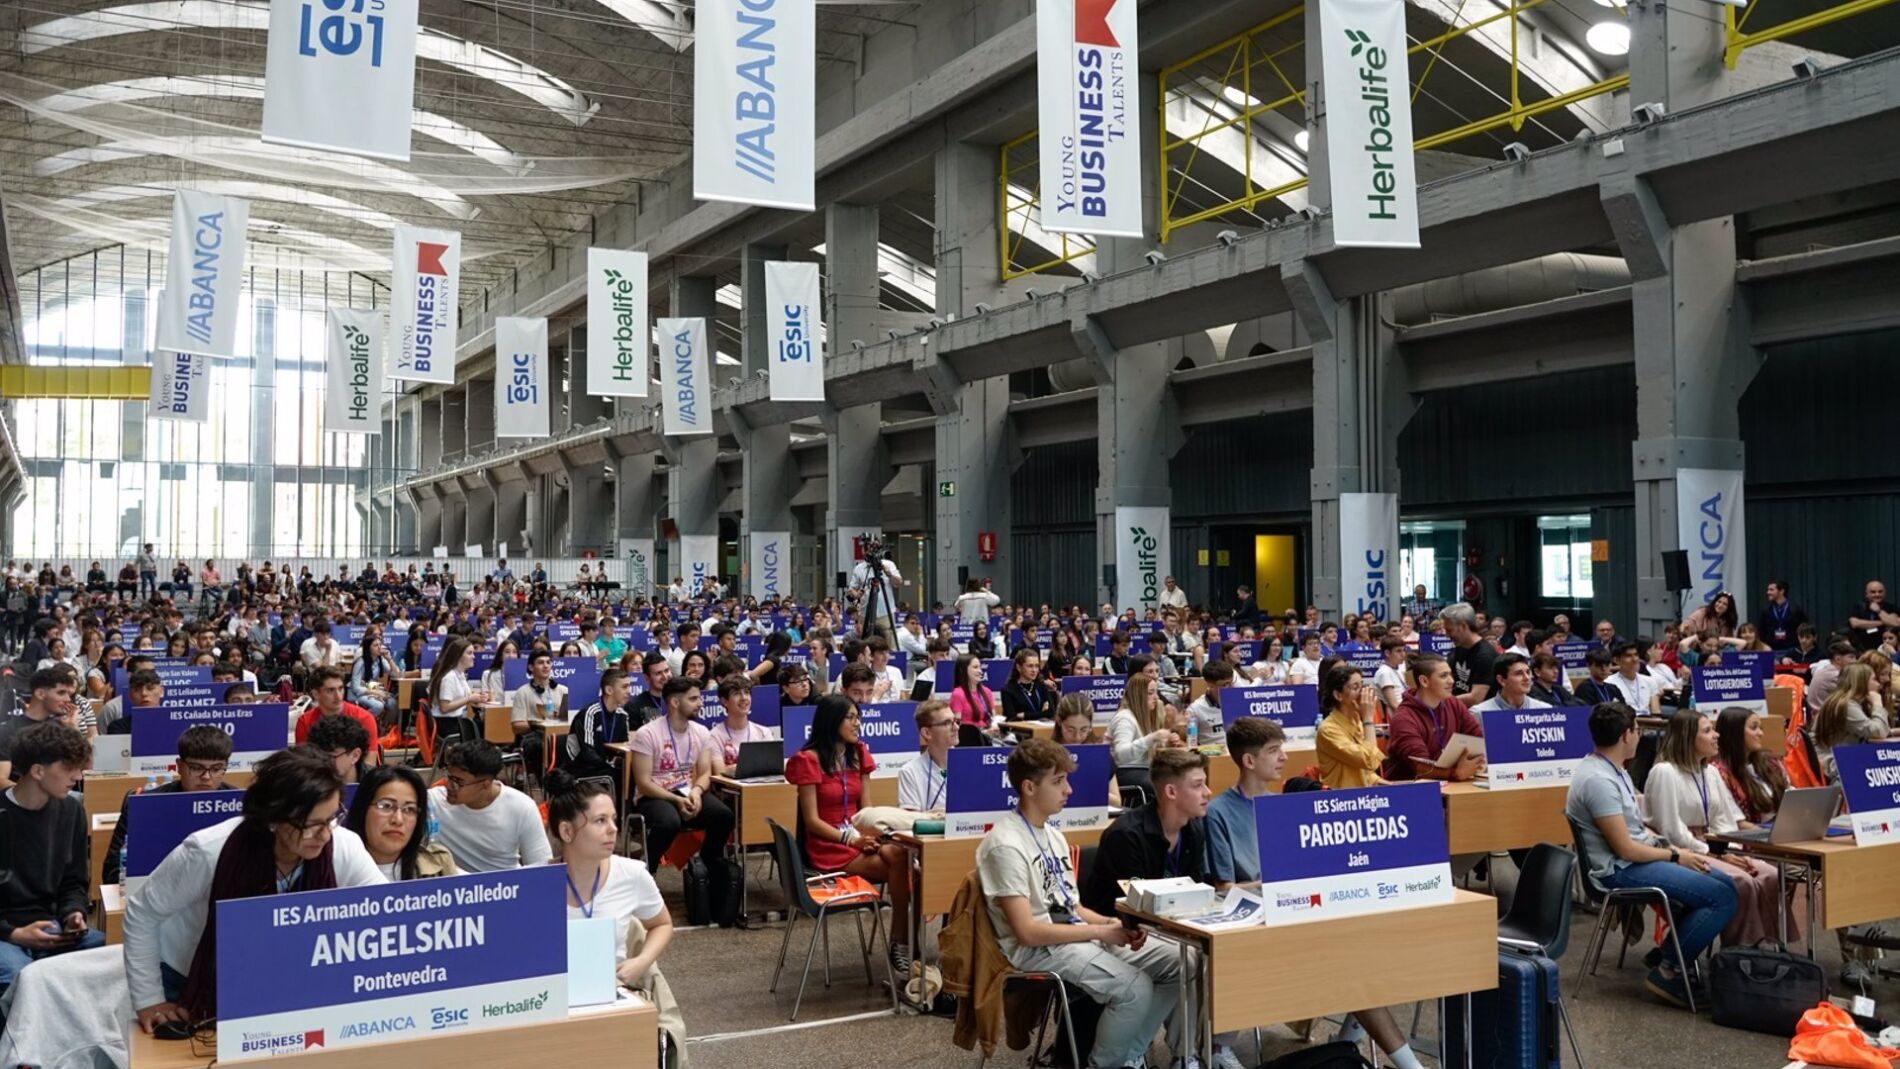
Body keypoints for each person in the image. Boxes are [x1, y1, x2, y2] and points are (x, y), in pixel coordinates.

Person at [1202, 715, 1425, 1068]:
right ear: (1249, 761)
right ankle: (1220, 1047)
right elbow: (1224, 888)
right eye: (1273, 751)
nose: (1283, 758)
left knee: (1369, 953)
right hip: (1255, 920)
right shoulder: (1218, 812)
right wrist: (1276, 886)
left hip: (1300, 909)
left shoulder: (1282, 807)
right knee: (1352, 963)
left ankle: (1351, 1044)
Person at [125, 747, 385, 1032]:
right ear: (274, 818)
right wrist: (149, 999)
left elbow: (384, 911)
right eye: (311, 824)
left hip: (283, 984)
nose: (324, 835)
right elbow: (141, 912)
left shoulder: (343, 845)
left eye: (332, 818)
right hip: (191, 982)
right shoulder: (208, 851)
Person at [975, 738, 1184, 1069]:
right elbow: (1027, 932)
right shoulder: (1005, 845)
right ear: (1029, 787)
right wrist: (1099, 933)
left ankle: (1129, 1056)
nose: (1068, 790)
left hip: (1071, 935)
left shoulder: (1052, 835)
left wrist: (1112, 925)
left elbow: (1070, 908)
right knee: (1135, 990)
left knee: (1182, 962)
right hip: (1036, 950)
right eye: (1058, 781)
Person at [1566, 701, 1737, 1009]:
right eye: (1637, 730)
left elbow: (1634, 830)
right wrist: (1674, 856)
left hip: (1633, 859)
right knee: (1721, 897)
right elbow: (1625, 848)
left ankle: (1668, 954)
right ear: (1625, 735)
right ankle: (1668, 970)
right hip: (1618, 869)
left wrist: (1672, 849)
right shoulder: (1598, 780)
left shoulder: (1611, 769)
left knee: (1724, 883)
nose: (1639, 735)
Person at [545, 769, 680, 1052]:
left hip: (613, 998)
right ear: (567, 831)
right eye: (600, 821)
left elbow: (662, 924)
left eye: (613, 819)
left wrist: (641, 961)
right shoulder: (535, 885)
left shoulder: (631, 874)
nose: (613, 829)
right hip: (553, 1006)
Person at [787, 695, 915, 975]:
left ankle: (903, 941)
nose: (858, 724)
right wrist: (851, 839)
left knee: (900, 855)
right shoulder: (807, 760)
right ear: (832, 721)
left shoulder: (858, 753)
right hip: (829, 845)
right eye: (851, 718)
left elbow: (865, 809)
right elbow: (812, 821)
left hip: (859, 836)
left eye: (858, 717)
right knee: (904, 865)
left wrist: (874, 834)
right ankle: (902, 942)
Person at [1644, 709, 1788, 949]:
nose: (1716, 735)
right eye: (1708, 731)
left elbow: (1724, 820)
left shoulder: (1709, 772)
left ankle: (1769, 945)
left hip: (1714, 846)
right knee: (1742, 880)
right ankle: (1741, 951)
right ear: (1688, 737)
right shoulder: (1665, 772)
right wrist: (1717, 854)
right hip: (1682, 852)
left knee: (1769, 875)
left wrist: (1732, 850)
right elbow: (1672, 830)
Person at [0, 722, 99, 995]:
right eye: (68, 768)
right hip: (6, 932)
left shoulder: (72, 811)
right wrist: (14, 933)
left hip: (53, 926)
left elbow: (74, 881)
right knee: (20, 978)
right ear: (37, 771)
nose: (78, 776)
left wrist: (73, 914)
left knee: (112, 951)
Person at [628, 677, 735, 880]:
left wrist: (697, 792)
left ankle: (708, 862)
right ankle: (646, 871)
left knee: (724, 815)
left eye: (699, 698)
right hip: (654, 795)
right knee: (669, 822)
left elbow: (705, 773)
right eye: (693, 699)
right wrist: (676, 800)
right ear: (675, 702)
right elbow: (643, 783)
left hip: (687, 791)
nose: (700, 703)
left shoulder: (701, 732)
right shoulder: (647, 734)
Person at [104, 726, 236, 885]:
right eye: (196, 768)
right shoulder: (146, 805)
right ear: (179, 766)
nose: (206, 777)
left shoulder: (238, 805)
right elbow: (113, 871)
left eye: (216, 769)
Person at [428, 741, 552, 873]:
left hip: (505, 882)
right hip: (455, 882)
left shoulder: (521, 807)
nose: (449, 786)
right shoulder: (434, 802)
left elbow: (542, 865)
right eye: (448, 777)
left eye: (458, 782)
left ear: (485, 784)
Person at [343, 765, 458, 881]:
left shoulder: (439, 865)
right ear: (362, 810)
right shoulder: (335, 869)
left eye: (409, 809)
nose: (398, 820)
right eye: (386, 806)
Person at [1384, 654, 1484, 782]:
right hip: (1411, 787)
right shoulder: (1404, 718)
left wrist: (1473, 763)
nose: (1451, 681)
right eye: (1443, 676)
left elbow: (1477, 737)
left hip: (1451, 781)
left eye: (1450, 674)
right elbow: (1420, 767)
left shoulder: (1453, 703)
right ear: (1424, 681)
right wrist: (1455, 773)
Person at [0, 667, 80, 789]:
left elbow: (83, 766)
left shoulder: (61, 728)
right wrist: (38, 792)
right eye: (61, 693)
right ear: (40, 694)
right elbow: (1, 779)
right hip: (25, 797)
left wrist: (73, 729)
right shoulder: (8, 731)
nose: (68, 699)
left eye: (69, 694)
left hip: (62, 794)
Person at [1812, 662, 1890, 783]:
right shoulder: (1846, 706)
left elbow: (1876, 728)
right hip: (1834, 764)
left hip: (1843, 757)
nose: (1879, 684)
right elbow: (1878, 731)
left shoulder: (1847, 701)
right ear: (1861, 682)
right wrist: (1877, 704)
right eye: (1874, 679)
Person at [1713, 706, 1790, 824]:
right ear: (1735, 732)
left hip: (1783, 825)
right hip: (1752, 833)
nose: (1761, 733)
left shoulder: (1770, 761)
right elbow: (1737, 823)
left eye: (1760, 728)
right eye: (1754, 728)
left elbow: (1790, 794)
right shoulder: (1719, 773)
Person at [1317, 663, 1387, 789]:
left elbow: (1366, 772)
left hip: (1365, 792)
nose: (1363, 693)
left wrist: (1389, 784)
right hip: (1343, 797)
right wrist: (1368, 718)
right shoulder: (1328, 729)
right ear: (1338, 695)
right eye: (1355, 687)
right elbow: (1368, 760)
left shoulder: (1357, 722)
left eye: (1362, 685)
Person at [1109, 672, 1177, 798]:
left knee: (1180, 779)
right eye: (1150, 693)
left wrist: (1169, 742)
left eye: (1156, 692)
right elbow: (1121, 755)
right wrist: (1152, 738)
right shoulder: (1124, 718)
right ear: (1138, 695)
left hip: (1143, 768)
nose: (1156, 697)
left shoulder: (1144, 716)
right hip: (1124, 771)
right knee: (1165, 786)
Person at [293, 666, 381, 763]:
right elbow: (303, 762)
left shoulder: (364, 718)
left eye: (341, 688)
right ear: (316, 694)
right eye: (330, 690)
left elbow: (369, 763)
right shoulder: (305, 721)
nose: (338, 696)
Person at [510, 649, 569, 776]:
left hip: (560, 734)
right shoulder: (523, 692)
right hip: (534, 736)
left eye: (548, 662)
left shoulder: (563, 690)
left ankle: (564, 779)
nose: (546, 666)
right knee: (538, 746)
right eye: (541, 663)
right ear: (531, 667)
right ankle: (543, 779)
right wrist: (536, 723)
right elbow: (516, 727)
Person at [427, 635, 490, 746]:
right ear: (458, 656)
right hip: (447, 724)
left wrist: (477, 697)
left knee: (484, 724)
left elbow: (464, 696)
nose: (474, 656)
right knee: (485, 728)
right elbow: (444, 707)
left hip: (455, 720)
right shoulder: (449, 677)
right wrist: (469, 699)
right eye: (469, 653)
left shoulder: (460, 674)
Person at [898, 699, 956, 814]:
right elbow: (912, 820)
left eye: (955, 721)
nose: (956, 727)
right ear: (927, 733)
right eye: (947, 723)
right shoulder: (910, 772)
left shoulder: (971, 766)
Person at [1439, 602, 1496, 705]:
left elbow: (1476, 698)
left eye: (1450, 630)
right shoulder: (1458, 648)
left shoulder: (1485, 656)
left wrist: (1440, 702)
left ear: (1463, 626)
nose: (1446, 635)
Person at [1470, 653, 1552, 713]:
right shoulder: (1480, 713)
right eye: (1519, 673)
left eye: (1528, 672)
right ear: (1501, 680)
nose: (1527, 678)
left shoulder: (1545, 710)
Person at [307, 713, 370, 784]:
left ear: (355, 755)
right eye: (317, 757)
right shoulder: (307, 782)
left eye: (330, 757)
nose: (322, 764)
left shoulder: (376, 784)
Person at [1603, 641, 1662, 715]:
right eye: (1628, 656)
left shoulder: (1650, 681)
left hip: (1648, 720)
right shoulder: (1609, 683)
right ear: (1616, 660)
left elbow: (1656, 711)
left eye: (1636, 655)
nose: (1634, 659)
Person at [998, 647, 1055, 721]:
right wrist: (1041, 713)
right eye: (1030, 666)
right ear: (1019, 667)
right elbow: (1012, 717)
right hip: (1019, 727)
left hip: (1042, 726)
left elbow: (1050, 712)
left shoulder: (1041, 686)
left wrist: (1024, 715)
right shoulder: (1008, 690)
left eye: (1037, 666)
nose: (1034, 670)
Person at [1183, 660, 1231, 743]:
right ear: (1210, 685)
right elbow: (1191, 741)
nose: (1230, 688)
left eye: (1231, 683)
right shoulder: (1195, 710)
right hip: (1211, 749)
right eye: (1224, 685)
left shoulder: (1238, 702)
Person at [948, 653, 998, 731]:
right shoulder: (957, 694)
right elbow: (957, 725)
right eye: (975, 667)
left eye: (980, 667)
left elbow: (993, 718)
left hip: (988, 734)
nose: (980, 671)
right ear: (962, 670)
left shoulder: (987, 692)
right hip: (969, 736)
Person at [1755, 579, 1807, 653]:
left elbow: (1803, 629)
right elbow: (1761, 632)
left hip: (1792, 650)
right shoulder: (1766, 611)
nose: (1768, 592)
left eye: (1771, 590)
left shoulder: (1795, 610)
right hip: (1771, 650)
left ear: (1782, 591)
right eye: (1768, 590)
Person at [1847, 579, 1900, 652]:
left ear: (1885, 593)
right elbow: (1855, 623)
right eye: (1873, 592)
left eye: (1880, 592)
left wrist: (1879, 611)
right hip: (1861, 649)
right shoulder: (1860, 607)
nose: (1877, 594)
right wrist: (1884, 622)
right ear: (1866, 594)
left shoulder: (1891, 607)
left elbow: (1896, 623)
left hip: (1884, 649)